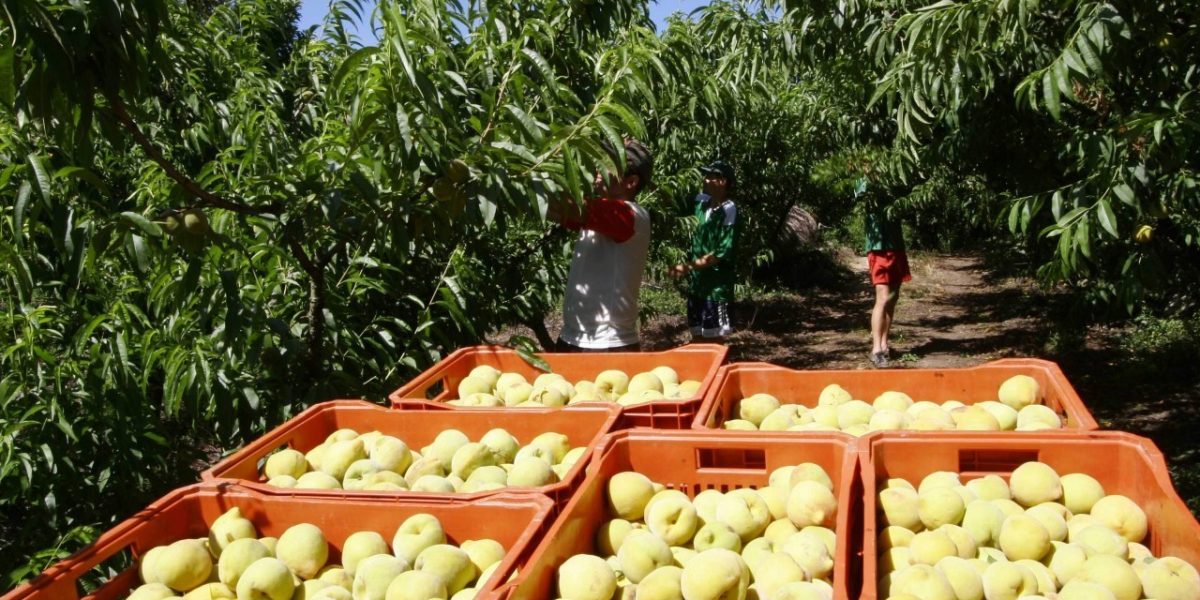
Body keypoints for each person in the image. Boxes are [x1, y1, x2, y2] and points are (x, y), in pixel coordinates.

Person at [552, 138, 654, 352]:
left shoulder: (630, 215)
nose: (599, 167)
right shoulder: (598, 217)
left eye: (610, 163)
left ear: (631, 182)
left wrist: (545, 165)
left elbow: (564, 207)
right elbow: (553, 210)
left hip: (606, 345)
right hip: (572, 337)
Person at [670, 160, 738, 339]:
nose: (705, 179)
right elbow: (668, 194)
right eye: (706, 175)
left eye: (711, 176)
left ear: (723, 182)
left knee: (714, 340)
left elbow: (720, 253)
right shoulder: (701, 202)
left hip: (716, 289)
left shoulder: (729, 210)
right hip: (697, 286)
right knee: (697, 335)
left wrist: (686, 267)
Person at [857, 175, 910, 368]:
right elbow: (859, 194)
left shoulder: (896, 176)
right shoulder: (866, 180)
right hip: (878, 247)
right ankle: (876, 349)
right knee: (883, 297)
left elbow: (907, 200)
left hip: (896, 245)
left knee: (893, 298)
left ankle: (885, 344)